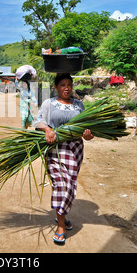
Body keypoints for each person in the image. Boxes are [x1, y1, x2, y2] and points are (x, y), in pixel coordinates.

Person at [34, 73, 94, 244]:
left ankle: (62, 215)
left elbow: (87, 129)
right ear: (56, 87)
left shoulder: (79, 105)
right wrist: (47, 130)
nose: (66, 88)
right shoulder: (49, 103)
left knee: (69, 184)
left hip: (75, 149)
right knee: (61, 185)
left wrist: (88, 135)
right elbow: (39, 121)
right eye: (62, 85)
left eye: (69, 84)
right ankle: (61, 226)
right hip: (55, 149)